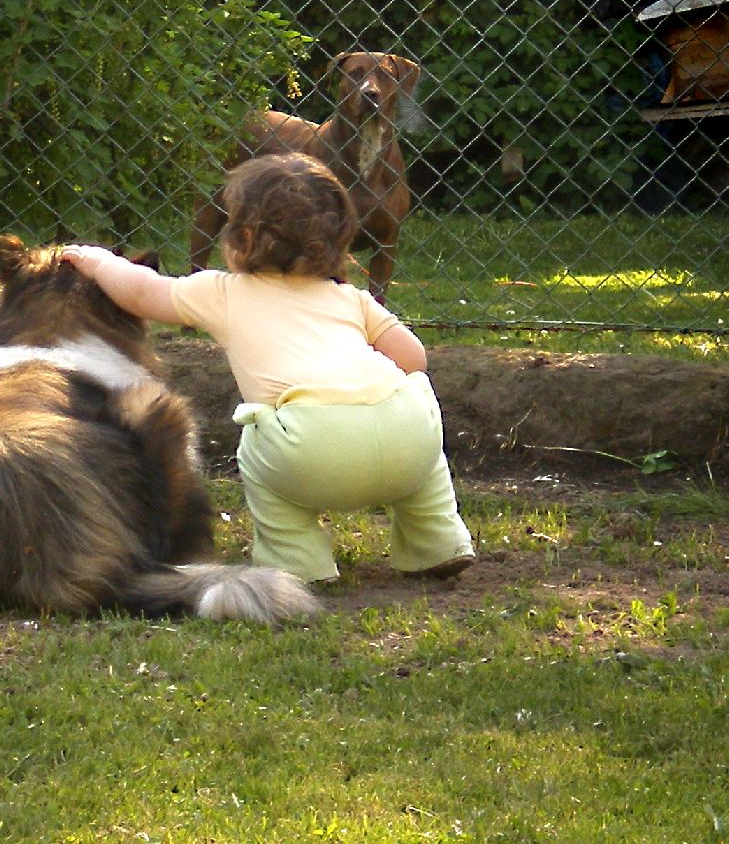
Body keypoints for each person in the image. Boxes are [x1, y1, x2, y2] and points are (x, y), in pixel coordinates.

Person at [61, 153, 474, 584]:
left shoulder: (223, 292)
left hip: (311, 451)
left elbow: (144, 293)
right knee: (416, 402)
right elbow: (414, 359)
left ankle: (298, 562)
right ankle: (437, 543)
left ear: (242, 237)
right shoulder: (350, 298)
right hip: (409, 444)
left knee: (256, 438)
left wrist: (99, 262)